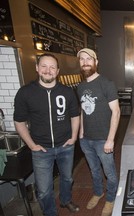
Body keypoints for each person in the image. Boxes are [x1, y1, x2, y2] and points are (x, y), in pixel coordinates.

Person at [13, 53, 80, 216]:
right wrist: (31, 145)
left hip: (66, 146)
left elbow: (75, 116)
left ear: (57, 71)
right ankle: (50, 213)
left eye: (52, 67)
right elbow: (19, 122)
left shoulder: (67, 92)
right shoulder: (25, 93)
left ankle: (65, 200)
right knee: (43, 190)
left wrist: (74, 137)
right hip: (41, 150)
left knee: (67, 179)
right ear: (37, 68)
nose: (47, 70)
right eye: (44, 66)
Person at [76, 48, 120, 216]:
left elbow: (116, 112)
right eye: (82, 59)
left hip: (103, 139)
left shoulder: (106, 83)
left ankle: (110, 199)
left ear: (96, 62)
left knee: (109, 172)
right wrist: (81, 132)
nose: (85, 62)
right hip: (86, 139)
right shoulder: (80, 86)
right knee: (94, 170)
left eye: (89, 59)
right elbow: (82, 110)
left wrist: (110, 139)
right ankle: (97, 192)